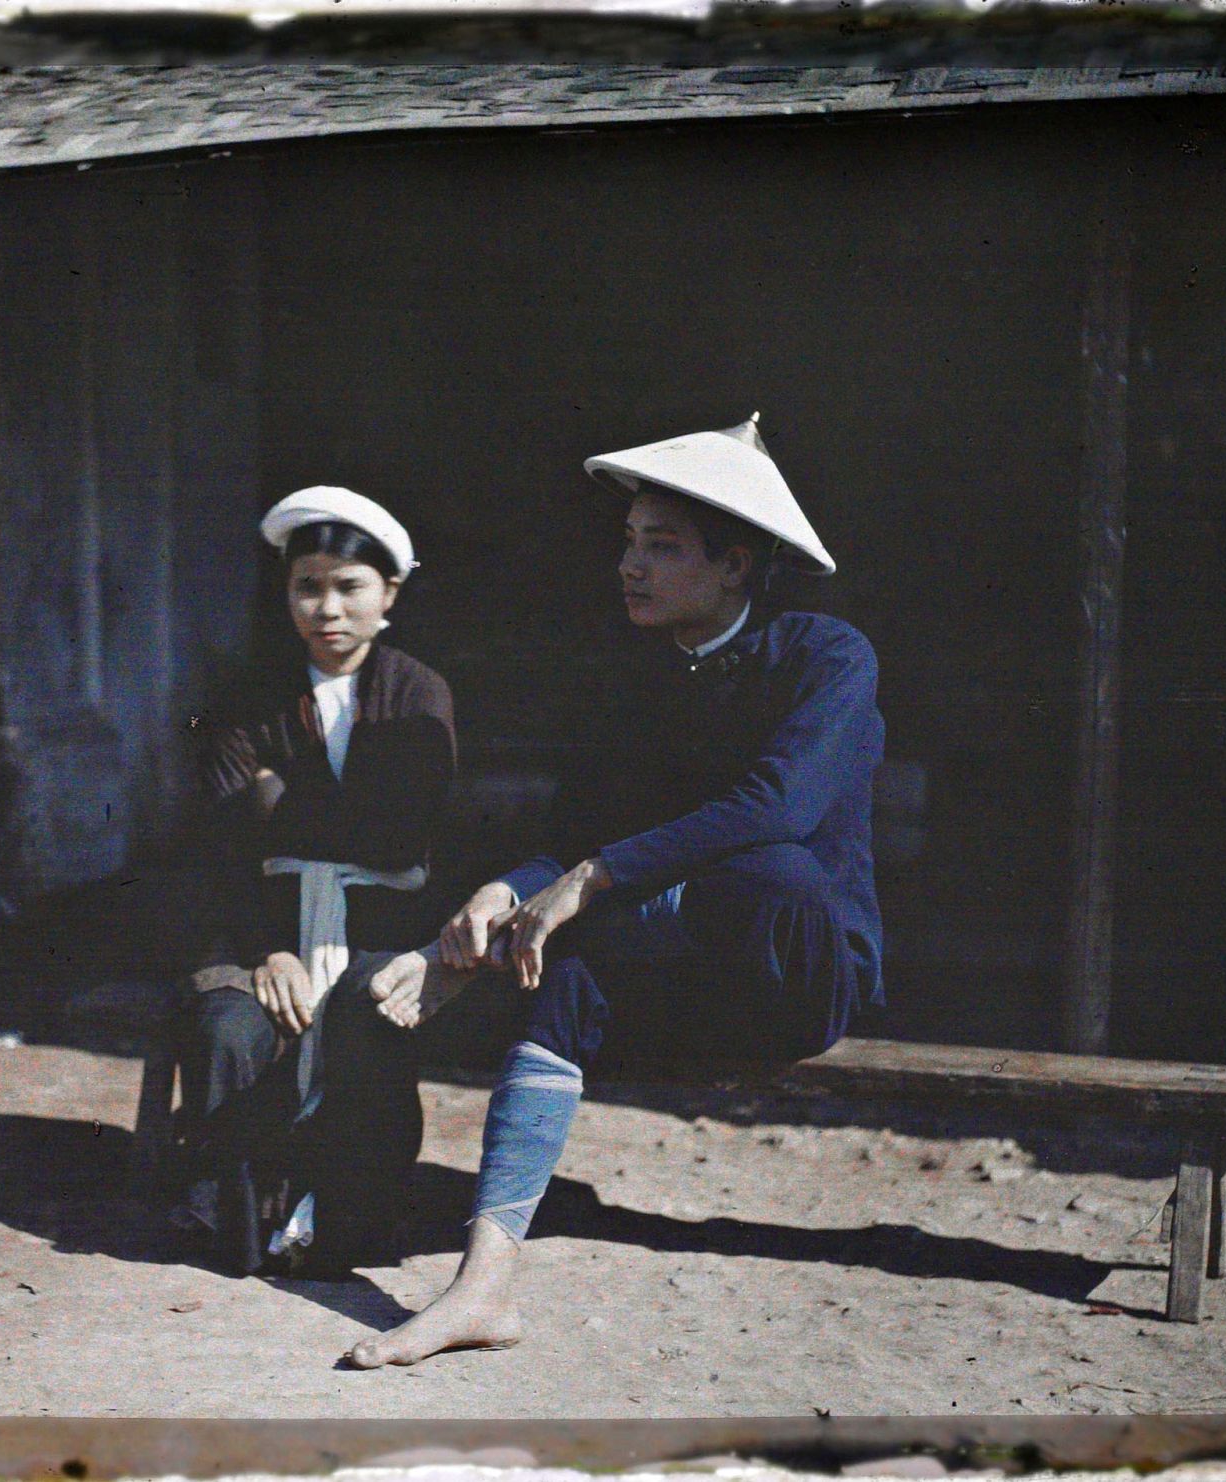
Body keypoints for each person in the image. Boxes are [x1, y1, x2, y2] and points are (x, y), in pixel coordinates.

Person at [350, 415, 883, 1366]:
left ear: (737, 567)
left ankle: (509, 953)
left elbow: (778, 806)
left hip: (790, 981)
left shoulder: (826, 657)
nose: (630, 566)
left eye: (664, 547)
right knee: (560, 976)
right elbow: (568, 836)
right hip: (670, 988)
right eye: (630, 542)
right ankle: (482, 1288)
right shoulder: (632, 679)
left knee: (772, 867)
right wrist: (499, 895)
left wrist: (588, 883)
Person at [176, 486, 457, 1276]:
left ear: (389, 594)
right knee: (231, 1030)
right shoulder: (247, 696)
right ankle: (235, 1224)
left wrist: (279, 797)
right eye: (308, 586)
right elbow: (227, 843)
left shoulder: (417, 694)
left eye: (349, 587)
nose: (326, 608)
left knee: (371, 1018)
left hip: (382, 923)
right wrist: (269, 951)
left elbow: (400, 831)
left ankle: (346, 1227)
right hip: (262, 926)